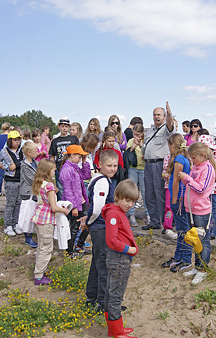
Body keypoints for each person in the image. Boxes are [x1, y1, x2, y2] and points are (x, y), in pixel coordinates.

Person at [79, 150, 118, 312]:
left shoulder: (101, 179)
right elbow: (97, 209)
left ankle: (91, 297)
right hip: (100, 227)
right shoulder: (102, 182)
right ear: (99, 165)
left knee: (96, 263)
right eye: (108, 165)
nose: (112, 168)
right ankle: (103, 304)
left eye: (115, 165)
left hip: (98, 227)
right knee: (103, 266)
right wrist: (88, 222)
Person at [102, 179, 139, 338]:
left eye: (133, 201)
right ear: (117, 196)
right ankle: (116, 331)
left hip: (120, 258)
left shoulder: (118, 211)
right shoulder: (114, 213)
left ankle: (114, 328)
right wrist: (129, 249)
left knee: (112, 292)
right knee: (116, 294)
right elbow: (112, 240)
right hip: (119, 259)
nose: (129, 204)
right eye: (127, 200)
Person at [179, 142, 216, 285]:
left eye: (194, 158)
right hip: (191, 209)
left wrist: (187, 179)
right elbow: (192, 185)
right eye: (191, 158)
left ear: (202, 155)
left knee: (203, 240)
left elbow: (201, 189)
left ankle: (203, 270)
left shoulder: (207, 168)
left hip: (201, 210)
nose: (192, 161)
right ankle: (197, 266)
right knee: (195, 239)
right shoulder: (196, 167)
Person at [31, 159, 70, 285]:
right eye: (53, 170)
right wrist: (64, 210)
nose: (55, 172)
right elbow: (53, 207)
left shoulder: (39, 183)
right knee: (46, 248)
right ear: (48, 171)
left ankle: (40, 271)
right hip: (46, 220)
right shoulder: (49, 186)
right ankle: (39, 275)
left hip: (38, 217)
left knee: (41, 245)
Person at [161, 134, 192, 272]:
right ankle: (178, 257)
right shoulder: (182, 157)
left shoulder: (179, 158)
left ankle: (185, 260)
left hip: (179, 198)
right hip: (180, 197)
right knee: (180, 230)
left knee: (183, 230)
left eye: (169, 146)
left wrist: (174, 199)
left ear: (173, 145)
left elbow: (176, 181)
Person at [142, 102, 174, 230]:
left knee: (159, 193)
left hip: (160, 164)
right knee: (149, 193)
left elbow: (170, 125)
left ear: (164, 116)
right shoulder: (150, 130)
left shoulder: (166, 129)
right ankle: (154, 221)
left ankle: (165, 222)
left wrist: (170, 114)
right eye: (154, 115)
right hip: (148, 164)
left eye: (159, 115)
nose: (156, 117)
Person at [59, 145, 91, 257]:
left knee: (88, 222)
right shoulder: (67, 170)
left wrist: (84, 162)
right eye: (79, 156)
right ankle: (70, 251)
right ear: (72, 155)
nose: (81, 158)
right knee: (74, 227)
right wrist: (73, 207)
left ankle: (78, 245)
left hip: (81, 201)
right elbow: (68, 191)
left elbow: (86, 175)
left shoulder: (74, 167)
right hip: (75, 204)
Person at [198, 135, 216, 239]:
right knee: (204, 208)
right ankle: (204, 228)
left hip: (213, 186)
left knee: (213, 208)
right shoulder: (200, 155)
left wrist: (206, 167)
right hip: (203, 186)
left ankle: (213, 230)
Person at [125, 124, 149, 227]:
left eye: (138, 135)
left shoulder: (146, 141)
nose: (136, 137)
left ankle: (148, 214)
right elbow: (126, 154)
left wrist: (141, 145)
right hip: (133, 168)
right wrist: (133, 146)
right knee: (132, 191)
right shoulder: (131, 141)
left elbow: (148, 153)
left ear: (142, 134)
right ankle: (131, 214)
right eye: (134, 134)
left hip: (143, 168)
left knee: (145, 192)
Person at [49, 117, 79, 200]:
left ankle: (73, 209)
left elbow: (78, 153)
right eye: (62, 126)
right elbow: (52, 156)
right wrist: (53, 168)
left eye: (66, 126)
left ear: (69, 127)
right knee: (61, 189)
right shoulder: (55, 141)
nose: (64, 128)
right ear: (59, 127)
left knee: (73, 188)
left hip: (71, 167)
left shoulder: (73, 139)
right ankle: (63, 209)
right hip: (59, 168)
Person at [0, 130, 23, 236]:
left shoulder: (21, 151)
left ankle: (16, 223)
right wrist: (2, 165)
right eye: (15, 140)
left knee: (18, 202)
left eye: (18, 140)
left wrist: (16, 165)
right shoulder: (4, 151)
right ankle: (7, 225)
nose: (17, 142)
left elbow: (24, 161)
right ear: (10, 141)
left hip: (20, 179)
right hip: (11, 179)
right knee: (10, 203)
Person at [20, 141, 39, 248]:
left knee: (33, 213)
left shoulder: (35, 162)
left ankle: (31, 233)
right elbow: (31, 179)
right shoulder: (24, 165)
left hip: (35, 193)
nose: (37, 152)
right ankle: (27, 236)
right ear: (29, 152)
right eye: (35, 151)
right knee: (27, 214)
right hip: (28, 193)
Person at [0, 122, 11, 196]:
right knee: (8, 174)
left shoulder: (0, 136)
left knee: (0, 175)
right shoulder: (9, 137)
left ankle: (0, 190)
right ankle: (7, 190)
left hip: (0, 156)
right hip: (8, 157)